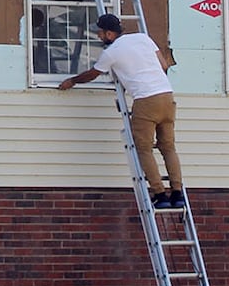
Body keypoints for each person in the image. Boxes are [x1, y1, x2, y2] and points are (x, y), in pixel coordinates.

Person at [57, 13, 182, 209]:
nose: (98, 37)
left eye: (99, 33)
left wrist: (72, 81)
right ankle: (177, 193)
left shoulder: (112, 52)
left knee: (143, 149)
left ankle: (160, 194)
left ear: (109, 33)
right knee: (168, 147)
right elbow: (164, 65)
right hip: (166, 95)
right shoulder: (143, 38)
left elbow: (93, 74)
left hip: (145, 99)